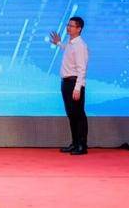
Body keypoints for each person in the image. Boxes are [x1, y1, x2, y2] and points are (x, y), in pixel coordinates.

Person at [49, 16, 89, 155]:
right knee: (71, 115)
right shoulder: (71, 44)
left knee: (78, 115)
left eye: (72, 26)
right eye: (68, 25)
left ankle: (82, 145)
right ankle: (75, 143)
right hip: (66, 83)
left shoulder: (80, 46)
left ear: (79, 29)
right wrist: (59, 43)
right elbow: (67, 49)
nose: (68, 28)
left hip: (74, 83)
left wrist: (78, 88)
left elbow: (82, 69)